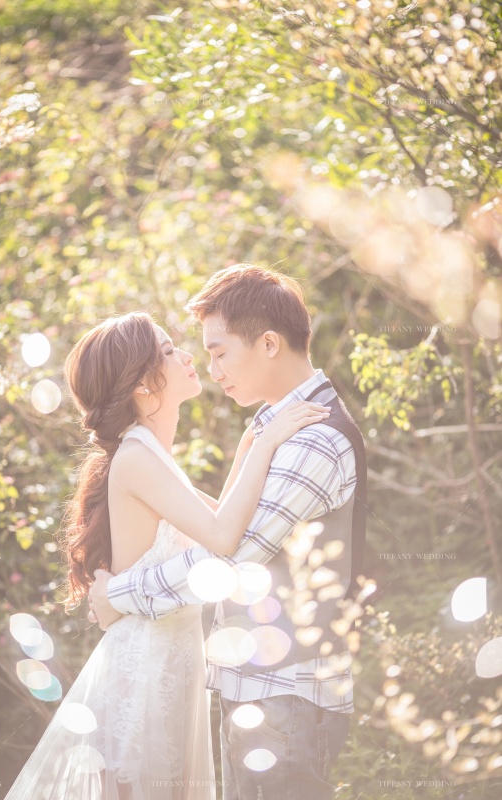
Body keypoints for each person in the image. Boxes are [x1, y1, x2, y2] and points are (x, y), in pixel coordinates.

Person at [3, 310, 329, 800]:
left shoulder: (151, 455)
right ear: (141, 383)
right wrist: (266, 444)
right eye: (170, 351)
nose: (189, 357)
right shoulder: (137, 457)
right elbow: (223, 536)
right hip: (144, 673)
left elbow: (225, 521)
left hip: (171, 664)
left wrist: (251, 442)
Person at [90, 265, 368, 800]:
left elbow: (233, 556)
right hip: (260, 690)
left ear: (269, 343)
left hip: (287, 693)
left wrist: (118, 595)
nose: (211, 369)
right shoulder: (273, 429)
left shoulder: (313, 440)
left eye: (219, 353)